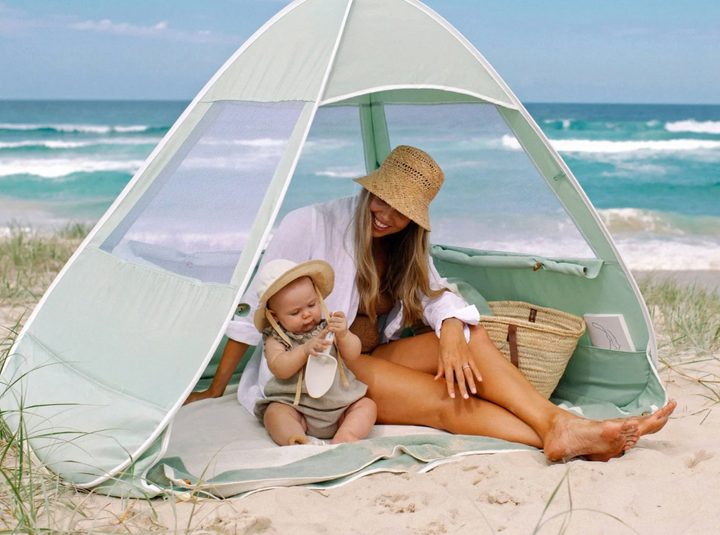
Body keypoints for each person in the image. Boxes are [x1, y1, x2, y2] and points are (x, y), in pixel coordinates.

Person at [186, 145, 675, 461]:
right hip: (336, 367)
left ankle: (562, 425)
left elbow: (442, 298)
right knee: (448, 397)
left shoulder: (405, 244)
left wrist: (450, 336)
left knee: (468, 332)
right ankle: (562, 434)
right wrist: (217, 389)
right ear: (371, 187)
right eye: (382, 200)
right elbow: (253, 313)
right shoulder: (310, 223)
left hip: (375, 355)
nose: (387, 215)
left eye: (402, 211)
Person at [252, 258, 376, 445]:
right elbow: (279, 368)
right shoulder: (276, 338)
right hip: (296, 406)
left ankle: (346, 434)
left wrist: (343, 335)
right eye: (295, 313)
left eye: (311, 305)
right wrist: (303, 350)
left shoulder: (329, 328)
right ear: (275, 316)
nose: (307, 314)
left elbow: (353, 354)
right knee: (274, 413)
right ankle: (296, 439)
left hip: (339, 404)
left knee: (367, 406)